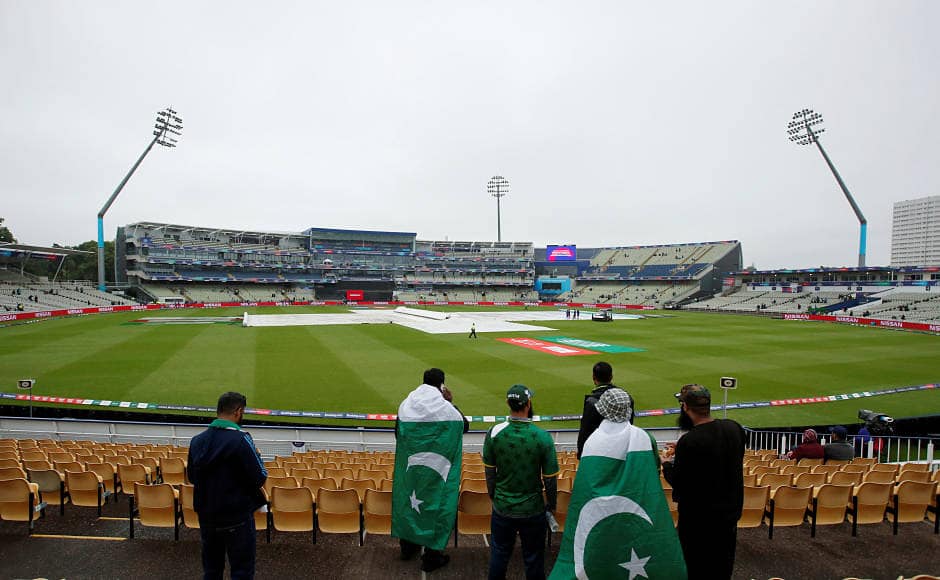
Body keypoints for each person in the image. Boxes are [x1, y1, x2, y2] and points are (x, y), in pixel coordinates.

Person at [550, 389, 686, 579]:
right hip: (636, 514)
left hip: (602, 516)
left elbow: (587, 484)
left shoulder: (592, 442)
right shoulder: (645, 438)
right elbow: (652, 474)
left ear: (604, 410)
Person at [661, 384, 745, 580]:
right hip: (728, 517)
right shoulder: (735, 429)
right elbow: (723, 451)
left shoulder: (690, 442)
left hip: (698, 523)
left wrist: (666, 465)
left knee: (695, 570)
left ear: (685, 407)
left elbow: (680, 483)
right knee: (723, 568)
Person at [392, 368, 469, 573]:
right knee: (437, 505)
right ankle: (432, 557)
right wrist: (451, 402)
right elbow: (464, 425)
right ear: (442, 385)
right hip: (437, 468)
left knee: (411, 502)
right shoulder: (446, 407)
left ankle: (407, 548)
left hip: (413, 467)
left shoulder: (407, 404)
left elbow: (398, 433)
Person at [188, 392, 268, 580]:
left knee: (212, 571)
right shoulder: (241, 440)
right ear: (238, 411)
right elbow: (260, 477)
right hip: (237, 517)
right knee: (241, 572)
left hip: (207, 517)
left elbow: (192, 477)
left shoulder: (197, 441)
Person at [483, 385, 559, 580]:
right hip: (532, 509)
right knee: (533, 559)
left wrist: (495, 495)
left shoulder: (494, 432)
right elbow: (550, 480)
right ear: (528, 403)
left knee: (499, 554)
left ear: (508, 403)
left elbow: (489, 473)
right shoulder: (542, 437)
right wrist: (551, 505)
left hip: (503, 506)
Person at [576, 361, 632, 459]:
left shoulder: (592, 402)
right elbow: (630, 424)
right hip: (622, 450)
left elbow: (586, 431)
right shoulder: (627, 397)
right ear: (611, 377)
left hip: (598, 452)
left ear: (593, 377)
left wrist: (582, 455)